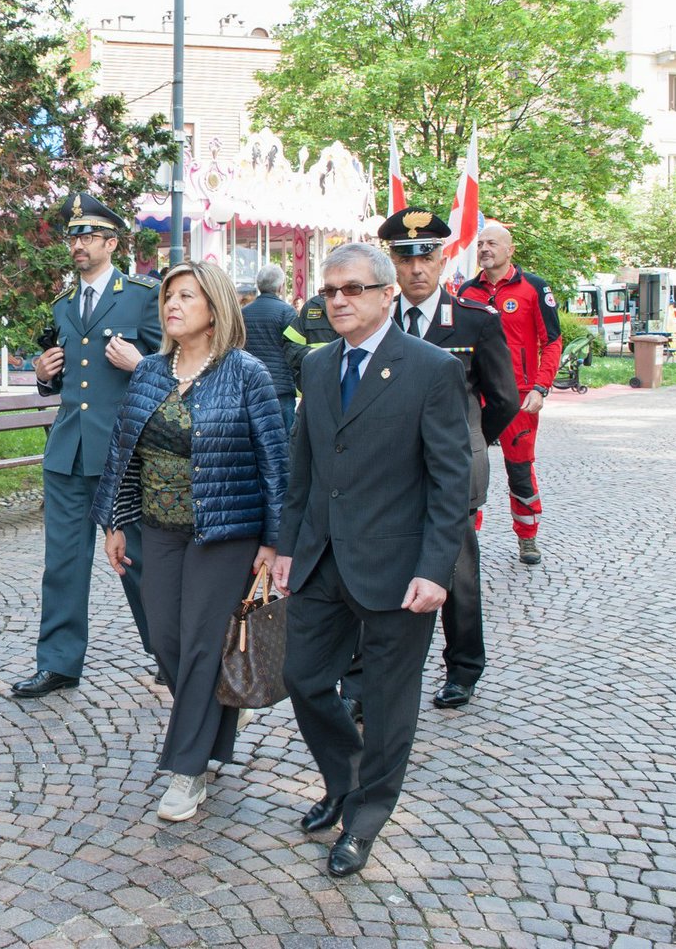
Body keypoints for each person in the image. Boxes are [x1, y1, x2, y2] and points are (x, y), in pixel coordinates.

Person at [272, 240, 471, 878]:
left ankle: (365, 819)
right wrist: (283, 546)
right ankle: (344, 778)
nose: (338, 301)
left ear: (388, 294)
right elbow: (303, 467)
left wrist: (436, 570)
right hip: (323, 557)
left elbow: (450, 481)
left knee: (386, 707)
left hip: (398, 568)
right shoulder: (320, 366)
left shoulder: (431, 368)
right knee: (302, 678)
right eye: (329, 290)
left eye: (353, 288)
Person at [92, 260, 288, 822]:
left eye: (187, 297)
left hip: (225, 531)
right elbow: (123, 453)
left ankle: (187, 770)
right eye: (169, 296)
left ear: (215, 309)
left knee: (203, 643)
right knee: (167, 641)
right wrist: (115, 523)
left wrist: (273, 542)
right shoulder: (151, 371)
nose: (172, 305)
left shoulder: (245, 373)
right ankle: (219, 718)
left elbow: (276, 462)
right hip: (158, 530)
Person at [12, 192, 161, 700]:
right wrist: (41, 375)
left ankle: (168, 652)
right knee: (63, 563)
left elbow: (177, 367)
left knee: (138, 559)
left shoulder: (143, 297)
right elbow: (66, 376)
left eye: (87, 235)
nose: (77, 244)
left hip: (124, 452)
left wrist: (141, 364)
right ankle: (58, 662)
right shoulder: (61, 304)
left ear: (112, 242)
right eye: (72, 236)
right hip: (68, 451)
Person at [380, 210, 519, 709]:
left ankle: (463, 668)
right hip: (389, 469)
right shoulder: (377, 320)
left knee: (456, 572)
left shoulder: (474, 322)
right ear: (392, 263)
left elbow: (504, 398)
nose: (417, 268)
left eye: (428, 256)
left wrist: (472, 440)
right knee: (385, 565)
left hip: (454, 467)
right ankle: (380, 671)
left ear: (443, 259)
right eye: (405, 257)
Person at [458, 223, 560, 565]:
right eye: (481, 243)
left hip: (519, 398)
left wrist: (541, 387)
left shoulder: (534, 288)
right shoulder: (467, 292)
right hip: (477, 398)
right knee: (470, 466)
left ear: (509, 249)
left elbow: (552, 341)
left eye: (492, 243)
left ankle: (527, 538)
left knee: (519, 470)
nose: (485, 249)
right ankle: (467, 539)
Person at [241, 263, 299, 433]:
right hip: (281, 387)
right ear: (280, 287)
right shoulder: (287, 312)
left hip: (250, 385)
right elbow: (294, 349)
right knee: (284, 437)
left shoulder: (244, 313)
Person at [282, 292, 339, 391]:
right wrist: (311, 354)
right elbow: (289, 346)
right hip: (316, 387)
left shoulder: (364, 304)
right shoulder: (312, 305)